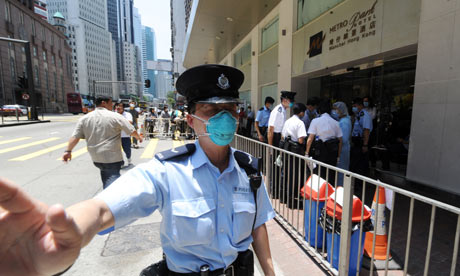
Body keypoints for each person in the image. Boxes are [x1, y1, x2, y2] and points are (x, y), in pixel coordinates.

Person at [0, 64, 276, 276]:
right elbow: (104, 208)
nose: (224, 118)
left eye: (230, 109)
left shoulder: (249, 172)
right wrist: (69, 231)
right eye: (211, 110)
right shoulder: (168, 172)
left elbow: (258, 227)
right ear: (191, 120)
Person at [62, 96, 143, 189]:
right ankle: (110, 199)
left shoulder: (84, 118)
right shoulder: (115, 116)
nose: (112, 105)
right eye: (111, 103)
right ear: (104, 103)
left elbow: (75, 136)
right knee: (113, 182)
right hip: (111, 157)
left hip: (96, 157)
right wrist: (138, 137)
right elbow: (131, 130)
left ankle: (107, 194)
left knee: (105, 176)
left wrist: (68, 151)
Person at [305, 99, 343, 183]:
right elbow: (340, 141)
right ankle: (329, 194)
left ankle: (319, 195)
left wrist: (306, 153)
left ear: (319, 110)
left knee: (319, 176)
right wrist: (338, 156)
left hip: (320, 152)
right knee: (331, 176)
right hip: (332, 153)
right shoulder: (336, 123)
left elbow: (310, 138)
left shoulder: (315, 121)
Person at [280, 103, 307, 208]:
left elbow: (283, 135)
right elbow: (301, 140)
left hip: (287, 149)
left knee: (285, 173)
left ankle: (284, 198)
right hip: (295, 151)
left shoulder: (288, 121)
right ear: (301, 112)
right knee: (294, 175)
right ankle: (292, 200)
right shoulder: (300, 123)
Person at [350, 97, 373, 189]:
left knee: (360, 164)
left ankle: (359, 185)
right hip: (357, 142)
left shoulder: (365, 115)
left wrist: (365, 144)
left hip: (361, 142)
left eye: (355, 105)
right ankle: (356, 184)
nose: (353, 107)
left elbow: (366, 130)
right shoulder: (359, 115)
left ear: (360, 105)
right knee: (356, 164)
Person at [332, 101, 352, 186]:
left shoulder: (344, 122)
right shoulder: (343, 120)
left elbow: (343, 139)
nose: (335, 112)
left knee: (341, 172)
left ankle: (340, 189)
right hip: (342, 149)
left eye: (337, 110)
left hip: (343, 150)